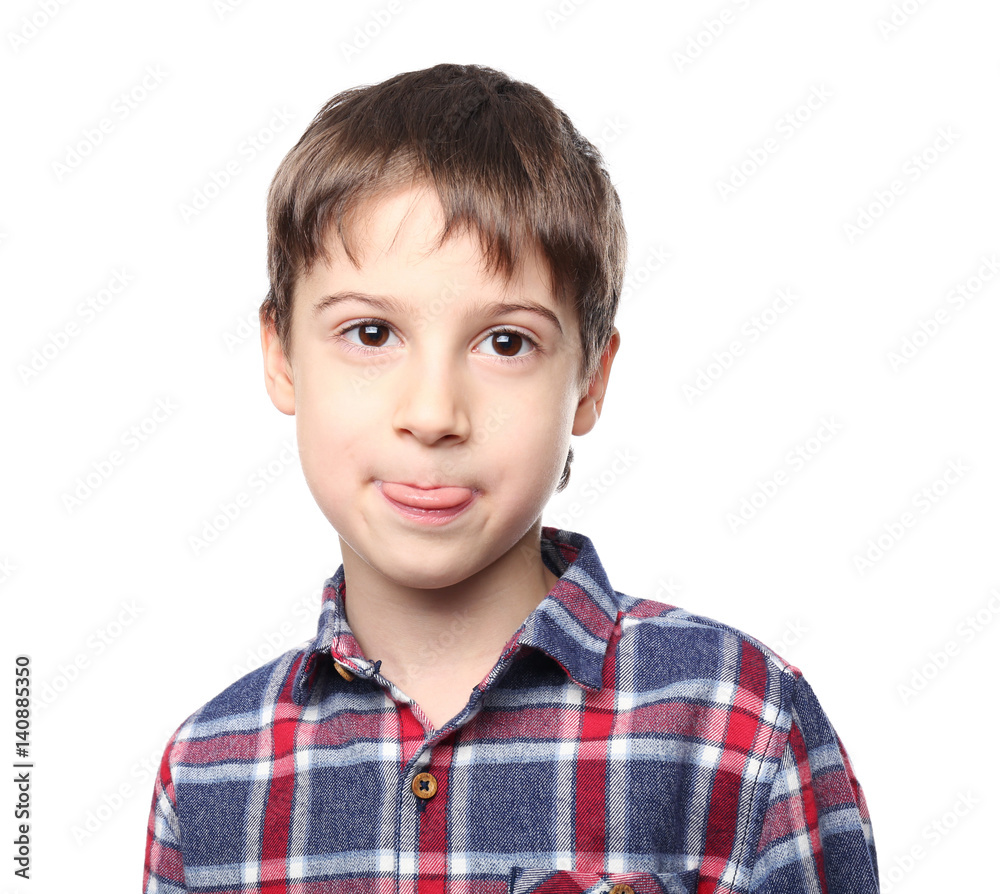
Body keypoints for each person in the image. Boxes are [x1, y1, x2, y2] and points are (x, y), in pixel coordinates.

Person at [143, 63, 879, 893]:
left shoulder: (736, 725)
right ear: (280, 355)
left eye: (505, 343)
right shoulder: (208, 774)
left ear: (591, 378)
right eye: (371, 332)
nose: (431, 412)